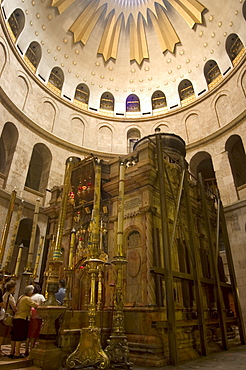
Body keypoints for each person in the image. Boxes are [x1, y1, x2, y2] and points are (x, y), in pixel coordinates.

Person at [9, 285, 38, 359]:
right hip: (22, 318)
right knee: (19, 336)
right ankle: (17, 353)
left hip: (16, 317)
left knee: (14, 336)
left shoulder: (21, 297)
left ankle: (12, 352)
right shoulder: (27, 299)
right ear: (30, 292)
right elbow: (36, 305)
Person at [26, 284, 45, 355]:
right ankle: (32, 348)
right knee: (34, 334)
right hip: (37, 316)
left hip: (29, 316)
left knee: (29, 333)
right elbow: (44, 304)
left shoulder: (30, 297)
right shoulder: (40, 296)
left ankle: (27, 348)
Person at [0, 280, 17, 356]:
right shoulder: (10, 296)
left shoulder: (4, 294)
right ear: (12, 288)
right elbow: (14, 307)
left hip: (3, 314)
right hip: (6, 315)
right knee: (2, 333)